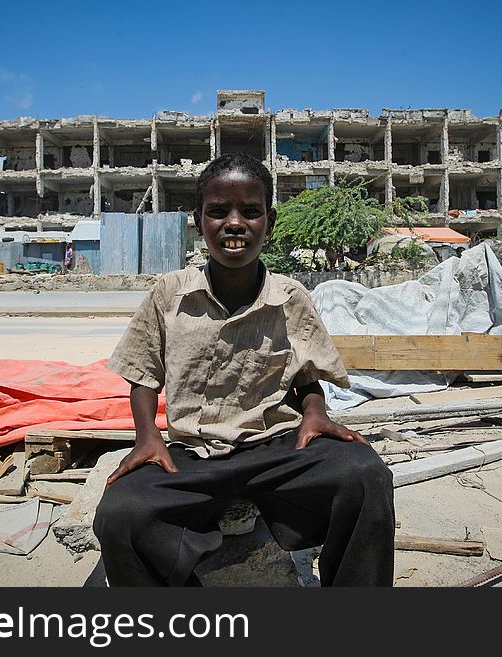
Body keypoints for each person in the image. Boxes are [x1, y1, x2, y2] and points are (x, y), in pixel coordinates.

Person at [94, 152, 395, 587]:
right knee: (121, 512)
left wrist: (315, 413)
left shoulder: (290, 297)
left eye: (250, 212)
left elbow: (307, 374)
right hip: (192, 455)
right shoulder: (169, 293)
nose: (234, 223)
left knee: (365, 475)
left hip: (276, 447)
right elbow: (141, 375)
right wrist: (147, 438)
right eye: (218, 212)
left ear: (268, 222)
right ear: (198, 220)